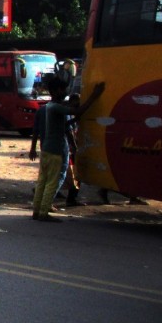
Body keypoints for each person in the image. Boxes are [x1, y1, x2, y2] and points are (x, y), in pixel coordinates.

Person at [29, 78, 104, 222]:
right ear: (56, 90)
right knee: (52, 182)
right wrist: (94, 96)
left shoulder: (50, 107)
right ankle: (44, 212)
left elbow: (64, 125)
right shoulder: (57, 107)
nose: (65, 92)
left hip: (47, 149)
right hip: (55, 150)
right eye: (62, 89)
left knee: (43, 181)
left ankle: (37, 210)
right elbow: (78, 111)